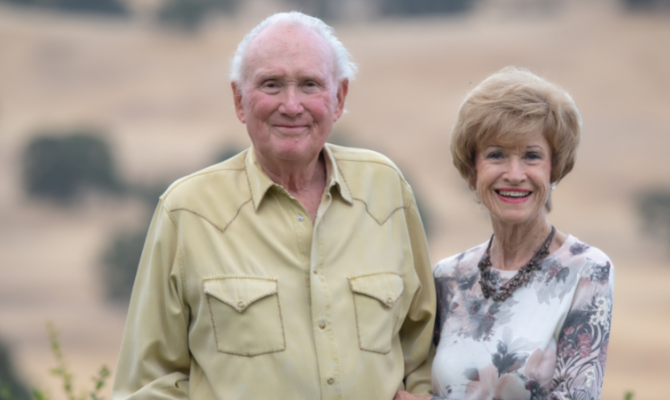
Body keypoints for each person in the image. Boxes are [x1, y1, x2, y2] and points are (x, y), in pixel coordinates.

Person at [112, 11, 437, 400]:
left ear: (339, 98)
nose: (291, 105)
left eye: (310, 84)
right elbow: (150, 383)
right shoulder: (187, 211)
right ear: (239, 100)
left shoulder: (386, 190)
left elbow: (422, 347)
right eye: (271, 84)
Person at [396, 67, 613, 400]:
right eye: (496, 154)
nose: (514, 174)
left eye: (531, 156)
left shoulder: (587, 270)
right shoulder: (446, 277)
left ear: (554, 168)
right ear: (473, 171)